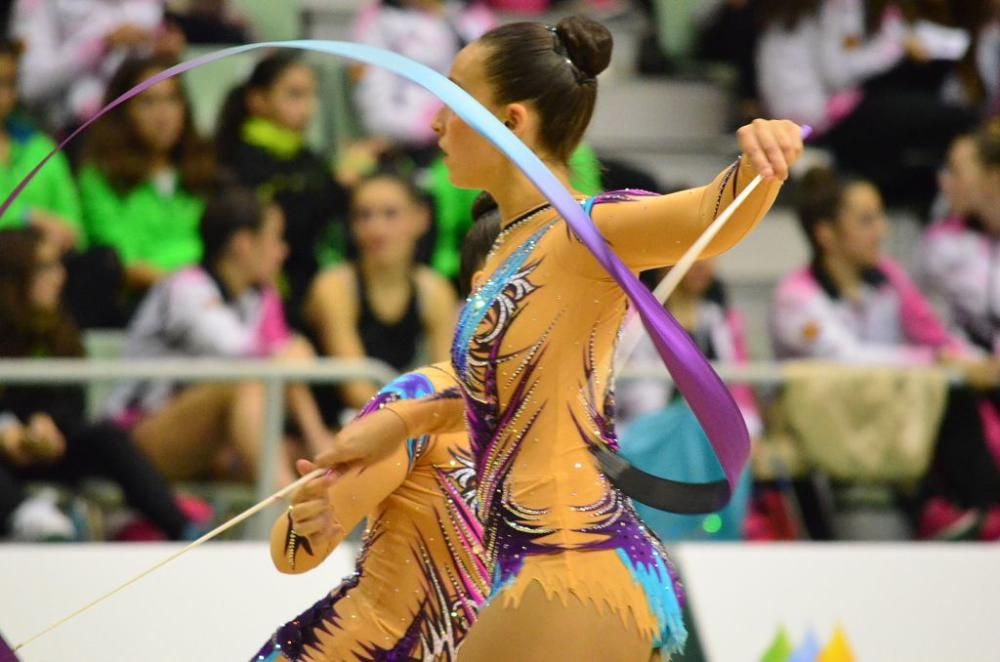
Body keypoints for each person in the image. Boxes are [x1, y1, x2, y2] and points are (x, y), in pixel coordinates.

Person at [308, 16, 802, 660]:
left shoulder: (586, 229)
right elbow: (510, 392)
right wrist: (403, 424)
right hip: (554, 557)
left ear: (512, 122)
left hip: (569, 555)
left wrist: (770, 152)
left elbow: (712, 214)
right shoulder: (504, 250)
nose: (434, 122)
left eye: (453, 100)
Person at [252, 199, 501, 662]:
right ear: (490, 289)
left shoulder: (564, 425)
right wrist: (307, 521)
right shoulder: (420, 398)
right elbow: (293, 555)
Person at [772, 166, 1000, 541]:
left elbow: (934, 336)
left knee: (962, 385)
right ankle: (948, 505)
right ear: (826, 234)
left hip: (888, 411)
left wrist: (977, 364)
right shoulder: (795, 296)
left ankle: (975, 509)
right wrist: (934, 364)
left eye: (880, 217)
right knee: (947, 387)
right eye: (866, 220)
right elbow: (845, 359)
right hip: (832, 420)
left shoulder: (890, 277)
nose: (882, 230)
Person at [104, 187, 331, 488]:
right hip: (136, 435)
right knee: (244, 383)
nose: (283, 251)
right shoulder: (185, 288)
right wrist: (292, 353)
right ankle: (290, 515)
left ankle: (324, 460)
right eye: (274, 239)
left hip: (214, 440)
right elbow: (242, 353)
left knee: (310, 456)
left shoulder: (256, 298)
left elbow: (287, 366)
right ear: (242, 244)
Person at [0, 227, 208, 541]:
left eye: (60, 266)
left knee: (107, 438)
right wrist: (6, 430)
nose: (60, 276)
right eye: (46, 267)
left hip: (48, 447)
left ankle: (181, 527)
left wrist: (48, 427)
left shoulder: (61, 331)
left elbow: (73, 404)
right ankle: (27, 514)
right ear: (14, 275)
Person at [305, 172, 457, 424]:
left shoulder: (435, 291)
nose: (376, 229)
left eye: (390, 214)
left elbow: (445, 381)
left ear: (421, 219)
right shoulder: (334, 288)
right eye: (364, 216)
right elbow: (355, 389)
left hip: (397, 425)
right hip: (331, 430)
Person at [216, 52, 350, 326]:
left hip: (311, 287)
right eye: (294, 95)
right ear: (258, 100)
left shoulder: (309, 159)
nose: (308, 108)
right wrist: (338, 185)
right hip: (259, 297)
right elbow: (288, 222)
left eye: (312, 95)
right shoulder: (238, 158)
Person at [79, 55, 216, 305]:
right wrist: (186, 292)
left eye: (171, 100)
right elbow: (121, 263)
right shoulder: (101, 177)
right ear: (124, 111)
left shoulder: (203, 171)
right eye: (148, 102)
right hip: (140, 305)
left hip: (205, 299)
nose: (163, 115)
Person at [351, 0, 495, 166]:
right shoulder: (377, 18)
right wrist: (428, 126)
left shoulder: (473, 14)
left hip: (470, 137)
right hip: (405, 145)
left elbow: (490, 81)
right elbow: (375, 101)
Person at [10, 0, 184, 134]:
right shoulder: (41, 5)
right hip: (66, 136)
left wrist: (166, 57)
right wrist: (100, 46)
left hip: (137, 140)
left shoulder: (151, 7)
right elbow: (29, 87)